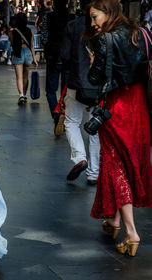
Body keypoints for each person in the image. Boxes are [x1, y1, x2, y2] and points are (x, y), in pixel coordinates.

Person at [86, 0, 152, 256]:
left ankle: (131, 231)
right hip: (140, 104)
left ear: (108, 13)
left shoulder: (105, 40)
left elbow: (94, 79)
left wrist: (93, 59)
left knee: (115, 166)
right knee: (131, 161)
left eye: (95, 17)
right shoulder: (142, 32)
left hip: (116, 107)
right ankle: (114, 221)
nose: (93, 23)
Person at [60, 0, 100, 185]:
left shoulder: (73, 26)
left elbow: (65, 55)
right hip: (99, 86)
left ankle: (79, 158)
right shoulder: (104, 26)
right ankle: (93, 173)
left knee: (71, 122)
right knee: (95, 128)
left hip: (77, 82)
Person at [41, 0, 69, 135]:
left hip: (53, 56)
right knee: (66, 92)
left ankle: (55, 114)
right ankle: (63, 114)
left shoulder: (49, 17)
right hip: (67, 58)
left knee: (50, 90)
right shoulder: (71, 17)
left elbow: (45, 37)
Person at [9, 12, 37, 105]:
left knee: (19, 77)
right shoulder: (30, 31)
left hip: (18, 53)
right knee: (26, 76)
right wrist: (34, 59)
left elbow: (12, 44)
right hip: (28, 53)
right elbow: (32, 46)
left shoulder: (13, 31)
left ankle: (21, 95)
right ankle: (24, 95)